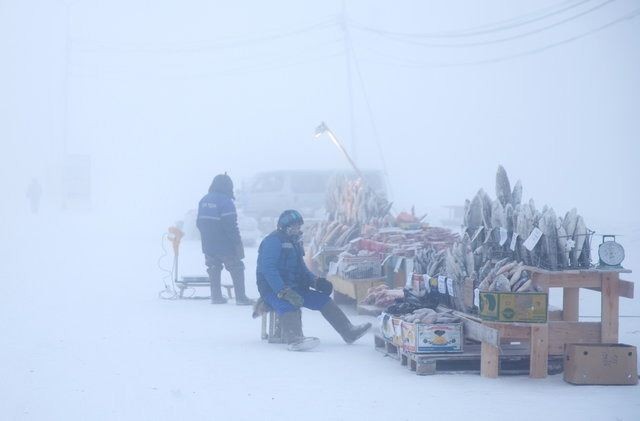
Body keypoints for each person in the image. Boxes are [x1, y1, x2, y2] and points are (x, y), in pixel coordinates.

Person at [256, 209, 371, 351]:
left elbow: (301, 268)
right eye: (293, 227)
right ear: (284, 227)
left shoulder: (295, 242)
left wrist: (315, 281)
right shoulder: (273, 241)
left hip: (295, 287)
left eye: (298, 227)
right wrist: (283, 291)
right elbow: (268, 269)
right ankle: (294, 338)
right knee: (288, 305)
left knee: (323, 301)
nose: (296, 230)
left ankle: (348, 331)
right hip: (272, 289)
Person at [197, 174, 254, 305]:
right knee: (237, 267)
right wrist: (236, 242)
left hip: (208, 244)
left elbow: (199, 223)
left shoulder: (204, 200)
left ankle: (216, 297)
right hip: (224, 244)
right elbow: (231, 225)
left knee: (213, 267)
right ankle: (240, 298)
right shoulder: (225, 201)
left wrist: (207, 238)